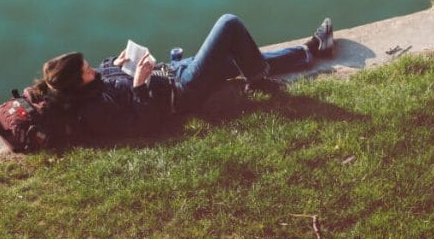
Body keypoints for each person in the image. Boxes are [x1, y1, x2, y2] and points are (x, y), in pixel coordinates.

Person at [25, 15, 334, 143]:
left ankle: (310, 50)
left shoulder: (90, 85)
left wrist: (115, 63)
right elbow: (142, 126)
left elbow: (106, 78)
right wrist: (141, 85)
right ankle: (259, 77)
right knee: (229, 24)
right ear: (77, 84)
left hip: (171, 74)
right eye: (87, 70)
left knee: (238, 56)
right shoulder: (94, 110)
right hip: (182, 91)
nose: (93, 69)